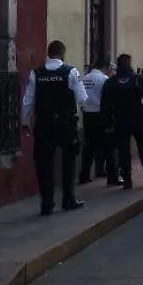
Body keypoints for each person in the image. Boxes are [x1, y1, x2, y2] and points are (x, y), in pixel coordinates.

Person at [21, 40, 88, 216]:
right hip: (66, 124)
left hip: (44, 125)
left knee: (44, 165)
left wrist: (25, 122)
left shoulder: (36, 74)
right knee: (69, 163)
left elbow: (27, 100)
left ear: (48, 53)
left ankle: (47, 203)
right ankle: (68, 199)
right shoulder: (70, 72)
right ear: (62, 54)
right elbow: (82, 99)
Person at [100, 54, 143, 189]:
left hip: (120, 119)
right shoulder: (138, 79)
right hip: (137, 118)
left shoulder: (110, 82)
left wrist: (107, 123)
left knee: (123, 150)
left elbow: (105, 105)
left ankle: (127, 180)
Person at [79, 57, 119, 186]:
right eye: (110, 69)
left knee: (89, 146)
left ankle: (85, 175)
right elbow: (110, 98)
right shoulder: (104, 79)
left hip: (87, 114)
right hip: (101, 114)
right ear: (105, 68)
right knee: (109, 146)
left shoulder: (84, 78)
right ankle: (112, 178)